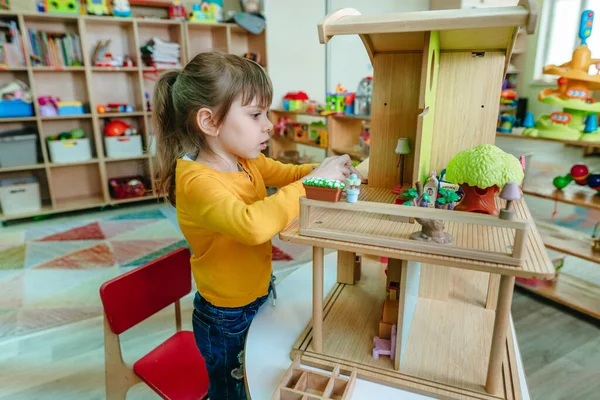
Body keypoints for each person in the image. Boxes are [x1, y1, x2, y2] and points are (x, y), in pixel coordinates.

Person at [152, 51, 359, 400]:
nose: (268, 125)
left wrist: (322, 170)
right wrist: (315, 181)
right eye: (255, 114)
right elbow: (252, 225)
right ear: (209, 121)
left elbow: (288, 173)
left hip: (254, 296)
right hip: (224, 317)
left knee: (250, 381)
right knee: (231, 392)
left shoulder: (245, 160)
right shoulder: (197, 182)